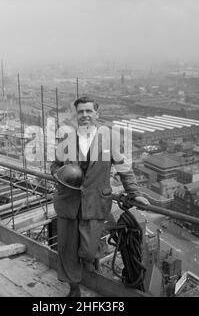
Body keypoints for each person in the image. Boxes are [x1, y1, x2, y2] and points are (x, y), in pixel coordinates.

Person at [50, 96, 149, 297]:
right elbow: (54, 166)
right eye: (80, 112)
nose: (84, 115)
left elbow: (123, 168)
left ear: (97, 114)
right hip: (69, 202)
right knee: (68, 248)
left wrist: (135, 194)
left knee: (87, 249)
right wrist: (60, 175)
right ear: (75, 115)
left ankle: (88, 261)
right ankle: (74, 288)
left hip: (95, 203)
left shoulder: (109, 139)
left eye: (89, 111)